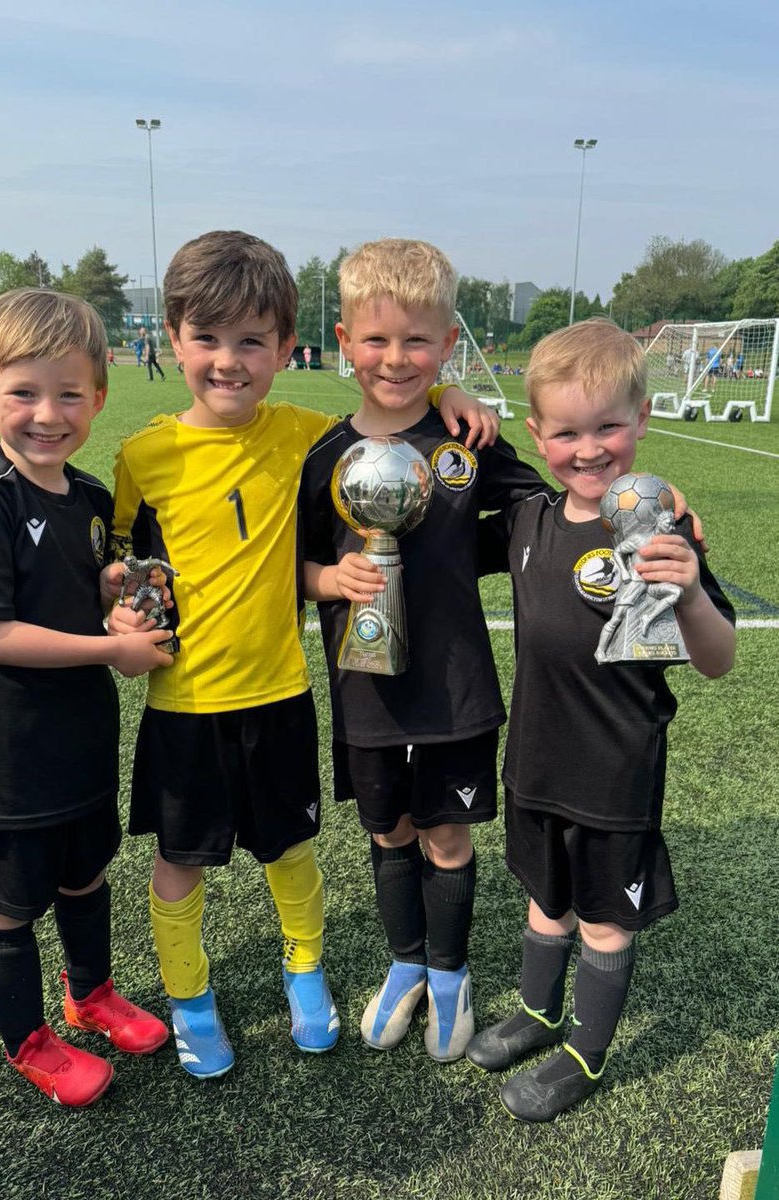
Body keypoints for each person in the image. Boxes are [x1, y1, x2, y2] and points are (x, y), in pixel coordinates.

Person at [107, 230, 496, 1080]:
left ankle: (306, 974)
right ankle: (191, 1001)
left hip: (282, 695)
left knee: (293, 851)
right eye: (206, 339)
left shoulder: (312, 440)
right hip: (182, 707)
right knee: (178, 863)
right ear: (169, 339)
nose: (229, 362)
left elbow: (394, 418)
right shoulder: (140, 459)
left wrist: (454, 389)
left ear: (289, 346)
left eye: (253, 341)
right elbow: (126, 577)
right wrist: (119, 628)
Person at [465, 318, 736, 1121]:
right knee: (545, 900)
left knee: (605, 920)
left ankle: (584, 1053)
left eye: (609, 426)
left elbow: (719, 659)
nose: (589, 449)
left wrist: (688, 591)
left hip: (615, 770)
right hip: (536, 759)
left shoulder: (664, 532)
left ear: (643, 419)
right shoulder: (527, 521)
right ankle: (542, 1012)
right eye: (567, 432)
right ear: (538, 433)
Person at [0, 287, 175, 1108]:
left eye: (69, 393)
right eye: (23, 392)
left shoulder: (94, 500)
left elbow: (89, 601)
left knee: (85, 878)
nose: (47, 414)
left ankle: (91, 996)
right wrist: (114, 646)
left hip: (79, 745)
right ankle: (29, 1042)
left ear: (99, 395)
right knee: (10, 908)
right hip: (4, 761)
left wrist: (116, 598)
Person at [298, 239, 547, 1064]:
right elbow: (293, 563)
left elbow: (538, 514)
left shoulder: (461, 437)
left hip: (454, 683)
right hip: (363, 683)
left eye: (417, 342)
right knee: (389, 830)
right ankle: (405, 962)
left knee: (446, 834)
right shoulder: (322, 454)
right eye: (376, 339)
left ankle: (450, 972)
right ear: (343, 341)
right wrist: (330, 580)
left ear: (447, 346)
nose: (395, 358)